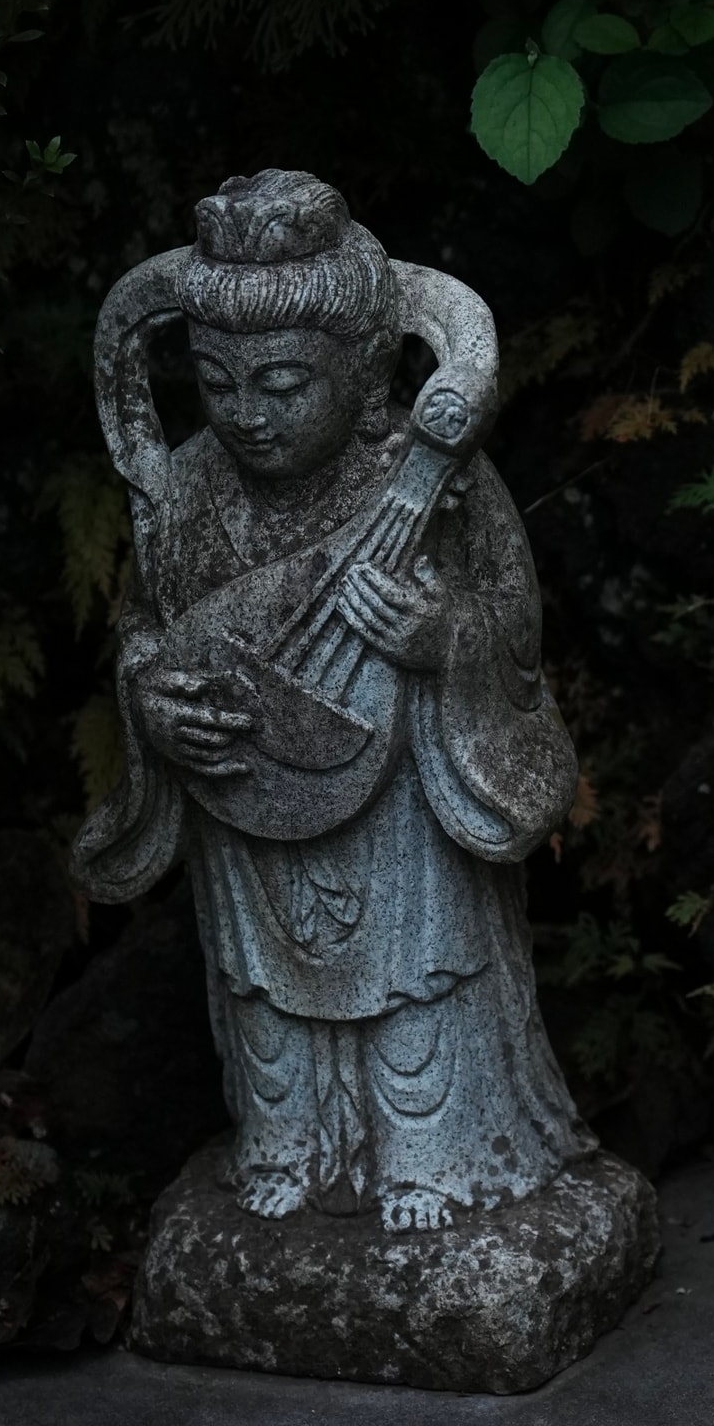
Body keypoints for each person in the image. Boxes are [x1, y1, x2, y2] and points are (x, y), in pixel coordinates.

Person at [73, 169, 592, 1232]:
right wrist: (154, 704)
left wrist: (443, 643)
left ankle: (442, 1156)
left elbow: (512, 631)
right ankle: (292, 1145)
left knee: (418, 980)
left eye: (279, 382)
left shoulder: (432, 483)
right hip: (249, 798)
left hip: (400, 801)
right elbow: (146, 634)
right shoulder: (184, 494)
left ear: (363, 375)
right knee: (266, 1000)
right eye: (218, 385)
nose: (247, 415)